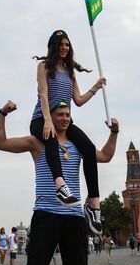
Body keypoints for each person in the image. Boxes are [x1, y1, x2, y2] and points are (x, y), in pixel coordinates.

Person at [0, 99, 119, 265]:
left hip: (74, 216)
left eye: (67, 115)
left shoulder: (79, 145)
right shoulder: (36, 142)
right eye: (60, 115)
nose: (65, 118)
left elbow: (105, 156)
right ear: (49, 117)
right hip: (46, 214)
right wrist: (3, 113)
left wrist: (114, 132)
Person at [30, 29, 107, 235]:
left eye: (67, 44)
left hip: (65, 120)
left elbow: (78, 101)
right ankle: (60, 186)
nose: (64, 48)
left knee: (89, 149)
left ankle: (94, 204)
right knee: (51, 139)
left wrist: (96, 87)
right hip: (42, 118)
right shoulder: (44, 67)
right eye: (61, 44)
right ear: (53, 46)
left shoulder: (69, 71)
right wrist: (47, 120)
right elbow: (44, 95)